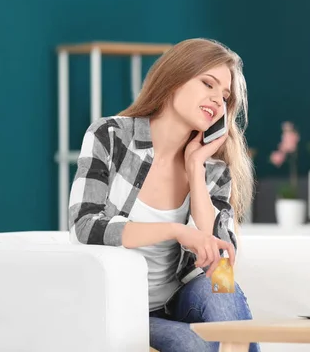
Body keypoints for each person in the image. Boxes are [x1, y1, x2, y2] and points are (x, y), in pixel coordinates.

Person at [68, 38, 260, 352]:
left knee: (222, 288)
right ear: (174, 80)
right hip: (115, 308)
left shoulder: (214, 169)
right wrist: (175, 230)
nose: (216, 100)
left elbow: (221, 263)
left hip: (174, 303)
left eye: (225, 97)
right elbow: (85, 226)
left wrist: (196, 166)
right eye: (207, 84)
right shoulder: (111, 136)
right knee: (196, 345)